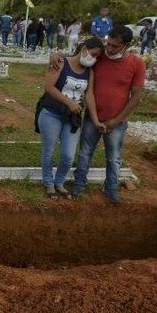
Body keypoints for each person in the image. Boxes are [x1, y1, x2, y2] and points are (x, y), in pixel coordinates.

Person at [54, 25, 145, 204]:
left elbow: (136, 98)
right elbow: (73, 58)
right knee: (85, 153)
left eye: (115, 46)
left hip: (117, 121)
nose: (109, 49)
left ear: (126, 45)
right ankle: (79, 184)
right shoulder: (100, 56)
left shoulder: (137, 64)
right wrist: (54, 56)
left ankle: (111, 188)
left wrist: (116, 121)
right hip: (92, 117)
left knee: (113, 156)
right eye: (108, 44)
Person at [39, 37, 104, 199]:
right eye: (93, 54)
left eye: (97, 57)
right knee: (49, 151)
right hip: (52, 113)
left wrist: (95, 120)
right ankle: (48, 184)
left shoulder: (90, 72)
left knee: (68, 155)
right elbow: (49, 87)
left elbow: (89, 95)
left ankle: (59, 182)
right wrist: (69, 102)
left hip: (72, 118)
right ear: (84, 48)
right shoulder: (61, 62)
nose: (93, 59)